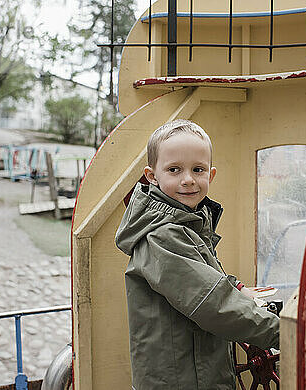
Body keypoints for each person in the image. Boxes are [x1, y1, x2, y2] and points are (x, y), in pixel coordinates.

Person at [115, 119, 279, 390]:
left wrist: (236, 287)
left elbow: (204, 273)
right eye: (174, 169)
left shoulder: (188, 221)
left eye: (198, 169)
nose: (188, 179)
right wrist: (284, 332)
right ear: (152, 175)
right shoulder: (163, 236)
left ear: (210, 175)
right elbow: (213, 305)